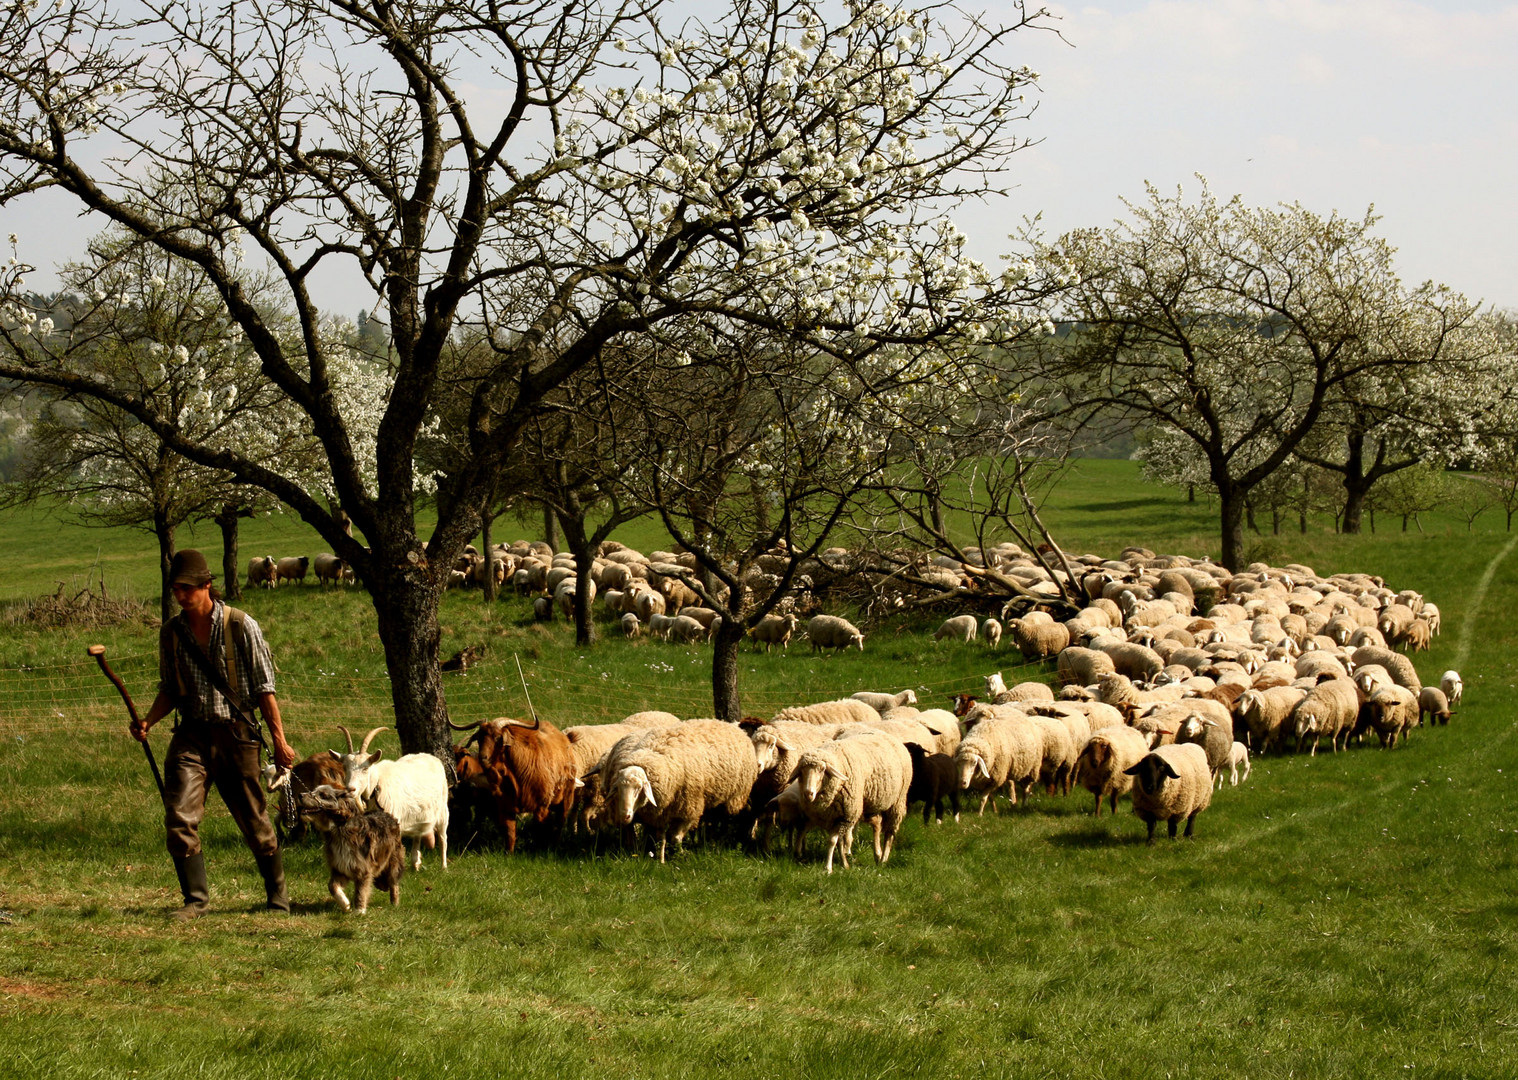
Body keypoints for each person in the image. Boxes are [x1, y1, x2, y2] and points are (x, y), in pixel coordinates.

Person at [132, 549, 297, 919]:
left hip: (236, 737)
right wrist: (148, 721)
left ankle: (278, 897)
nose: (180, 595)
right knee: (178, 816)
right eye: (176, 588)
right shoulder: (171, 633)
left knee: (255, 822)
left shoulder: (241, 625)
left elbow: (264, 690)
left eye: (188, 588)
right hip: (191, 735)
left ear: (208, 586)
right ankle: (195, 901)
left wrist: (280, 741)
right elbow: (170, 689)